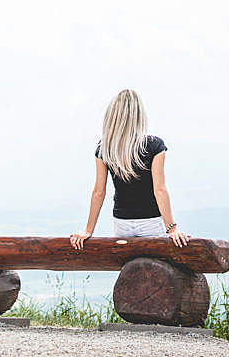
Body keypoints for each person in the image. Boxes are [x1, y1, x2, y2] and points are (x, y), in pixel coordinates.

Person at [69, 89, 191, 249]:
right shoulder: (155, 145)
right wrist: (172, 229)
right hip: (151, 222)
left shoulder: (105, 148)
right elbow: (159, 190)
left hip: (122, 223)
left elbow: (99, 192)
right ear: (139, 116)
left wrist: (88, 230)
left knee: (130, 267)